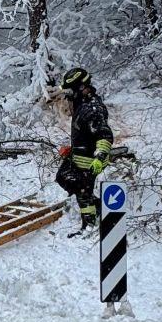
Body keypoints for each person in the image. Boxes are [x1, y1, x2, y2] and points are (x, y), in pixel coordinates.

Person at [56, 67, 114, 234]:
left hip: (90, 159)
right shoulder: (82, 104)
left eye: (70, 90)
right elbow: (86, 132)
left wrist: (100, 156)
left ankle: (89, 225)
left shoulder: (92, 108)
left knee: (82, 189)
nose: (68, 94)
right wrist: (74, 148)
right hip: (79, 154)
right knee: (63, 177)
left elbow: (104, 135)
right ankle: (99, 207)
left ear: (80, 88)